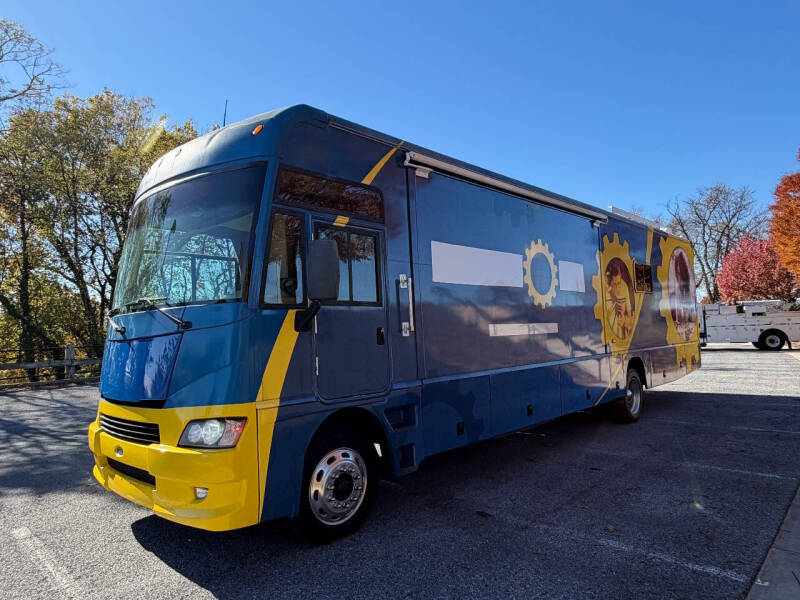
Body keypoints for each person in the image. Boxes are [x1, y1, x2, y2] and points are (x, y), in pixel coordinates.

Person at [605, 260, 634, 339]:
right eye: (615, 284)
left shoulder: (624, 285)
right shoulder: (607, 290)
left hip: (623, 317)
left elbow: (628, 303)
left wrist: (628, 316)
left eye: (619, 283)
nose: (618, 287)